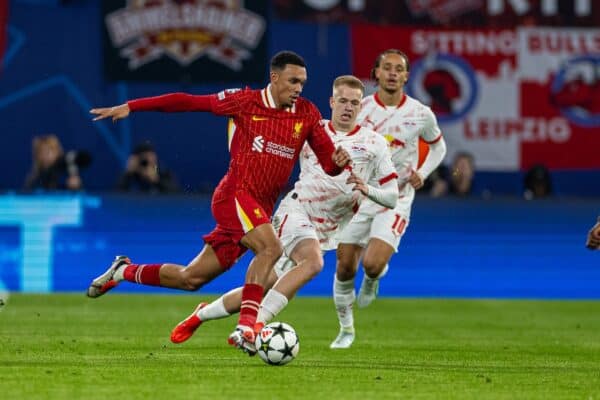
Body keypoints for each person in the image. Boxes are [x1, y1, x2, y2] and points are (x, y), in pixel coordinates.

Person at [86, 51, 351, 354]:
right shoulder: (244, 101)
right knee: (271, 249)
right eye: (293, 81)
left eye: (302, 82)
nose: (298, 88)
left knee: (191, 278)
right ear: (274, 77)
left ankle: (122, 271)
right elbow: (186, 101)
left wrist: (339, 162)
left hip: (258, 209)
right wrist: (132, 106)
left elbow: (329, 163)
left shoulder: (307, 113)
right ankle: (247, 327)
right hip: (235, 195)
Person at [170, 75, 400, 348]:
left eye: (354, 103)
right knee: (313, 263)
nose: (348, 107)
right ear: (331, 102)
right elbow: (264, 136)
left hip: (329, 228)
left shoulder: (375, 143)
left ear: (361, 106)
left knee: (264, 286)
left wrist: (368, 189)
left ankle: (201, 315)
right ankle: (254, 327)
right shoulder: (310, 129)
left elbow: (392, 196)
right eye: (342, 101)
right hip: (296, 211)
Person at [330, 49, 447, 349]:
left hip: (396, 196)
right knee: (344, 267)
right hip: (359, 196)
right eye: (387, 68)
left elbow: (439, 147)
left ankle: (374, 278)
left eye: (399, 69)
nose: (393, 73)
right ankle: (346, 330)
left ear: (407, 76)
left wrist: (423, 171)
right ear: (377, 73)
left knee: (371, 263)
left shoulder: (421, 113)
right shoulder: (362, 108)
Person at [23, 134, 89, 191]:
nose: (45, 155)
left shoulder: (66, 173)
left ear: (57, 151)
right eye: (41, 152)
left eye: (49, 151)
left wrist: (76, 187)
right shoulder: (34, 179)